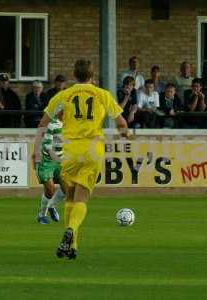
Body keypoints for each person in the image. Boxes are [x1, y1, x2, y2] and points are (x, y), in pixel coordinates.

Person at [35, 59, 128, 260]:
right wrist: (126, 134)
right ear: (92, 76)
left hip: (71, 151)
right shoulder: (102, 94)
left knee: (70, 198)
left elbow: (43, 124)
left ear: (74, 75)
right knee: (82, 198)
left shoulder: (64, 95)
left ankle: (72, 245)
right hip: (93, 150)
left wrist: (37, 148)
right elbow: (121, 122)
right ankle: (71, 234)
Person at [34, 117, 65, 224]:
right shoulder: (53, 125)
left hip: (61, 159)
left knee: (67, 188)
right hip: (46, 160)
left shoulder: (73, 124)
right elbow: (47, 145)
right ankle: (42, 215)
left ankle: (51, 205)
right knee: (50, 190)